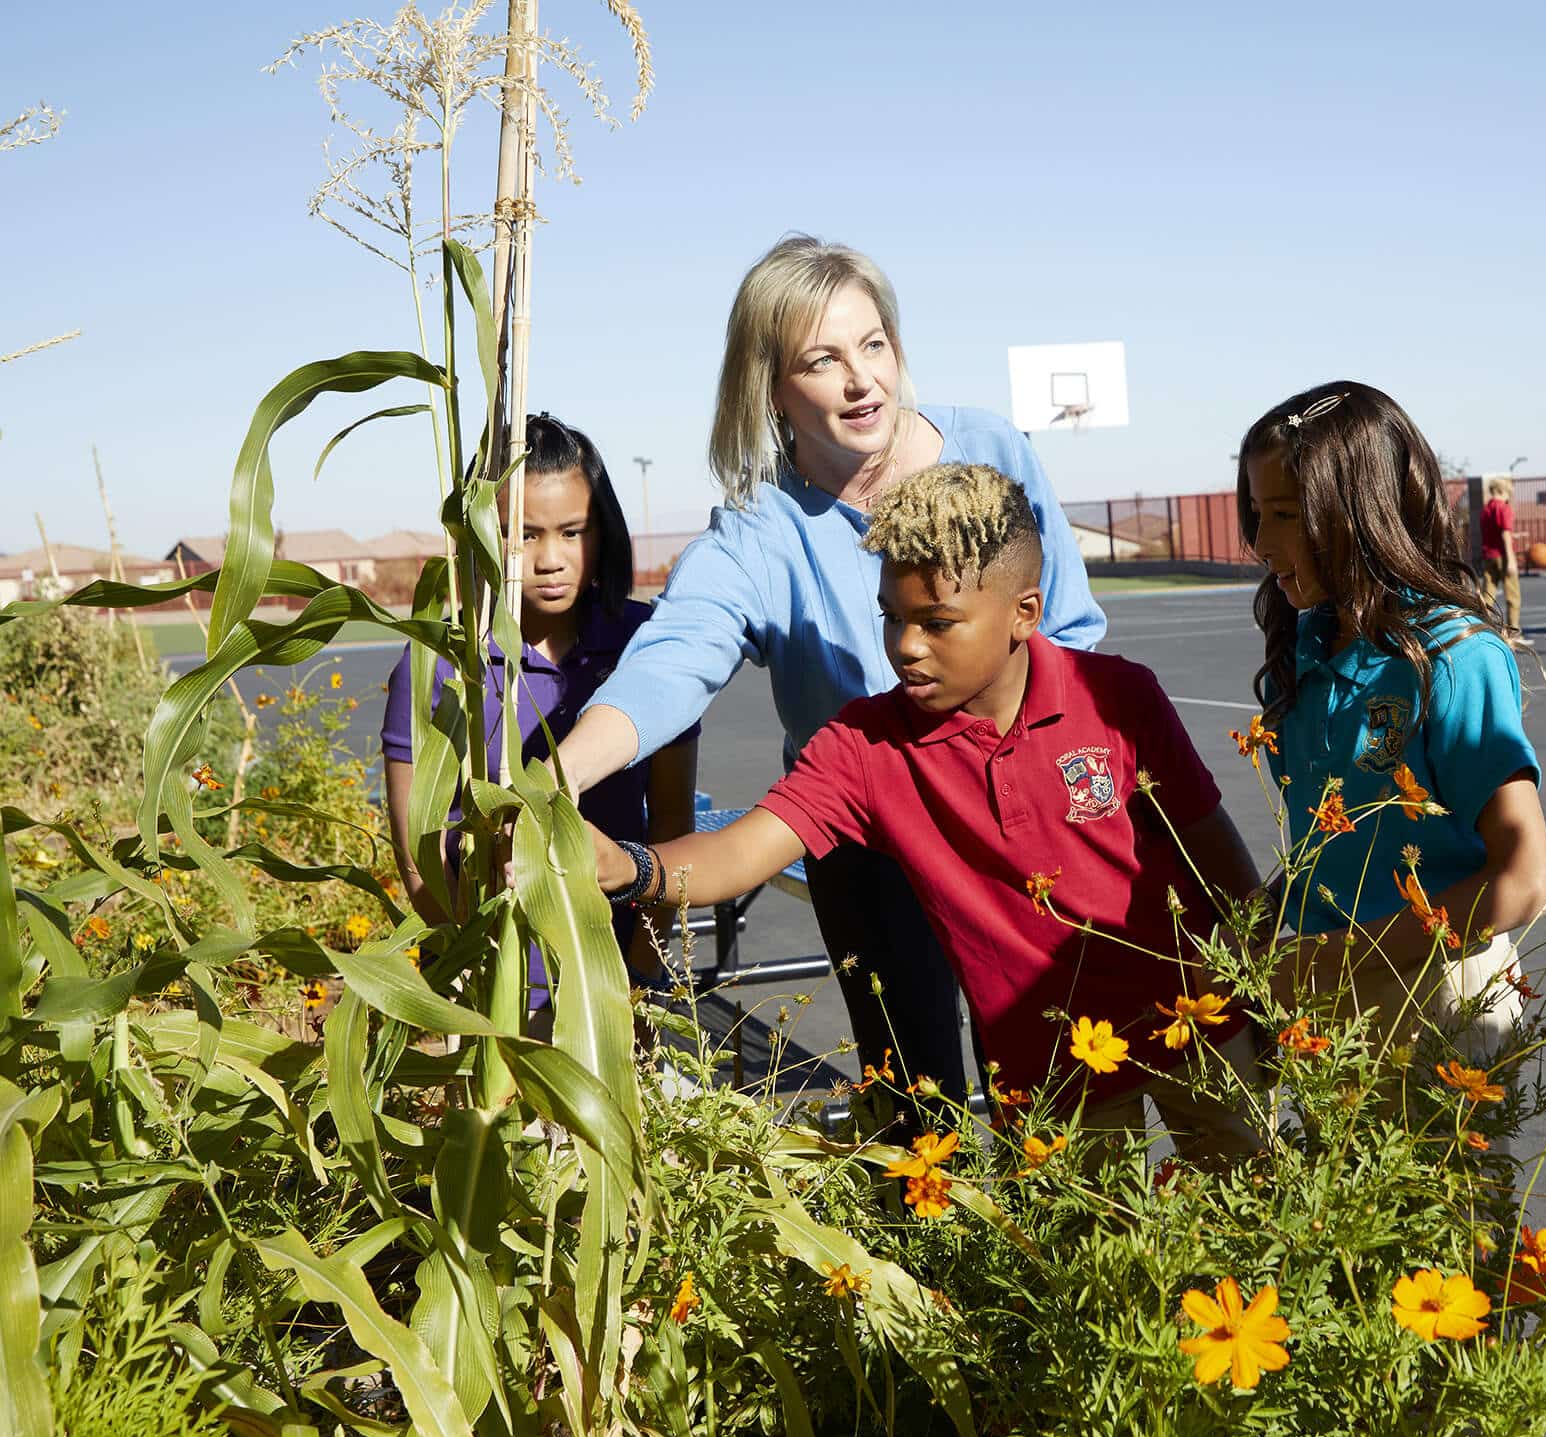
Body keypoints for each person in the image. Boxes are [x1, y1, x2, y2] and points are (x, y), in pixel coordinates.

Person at [546, 236, 1107, 1111]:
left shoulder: (993, 448)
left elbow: (1069, 631)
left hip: (1022, 821)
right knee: (920, 1110)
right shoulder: (761, 529)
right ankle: (933, 1244)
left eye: (874, 345)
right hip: (869, 843)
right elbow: (674, 658)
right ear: (771, 387)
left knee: (1066, 1083)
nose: (862, 381)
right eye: (824, 359)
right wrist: (563, 774)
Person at [586, 463, 1266, 1160]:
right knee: (1078, 1265)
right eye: (892, 616)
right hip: (1049, 1082)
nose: (905, 645)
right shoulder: (866, 746)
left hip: (1200, 1028)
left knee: (1253, 1229)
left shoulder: (1119, 696)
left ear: (1023, 613)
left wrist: (1266, 981)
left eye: (937, 623)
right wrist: (627, 865)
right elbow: (740, 851)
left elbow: (1209, 843)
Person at [1237, 383, 1546, 1060]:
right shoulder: (1310, 646)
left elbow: (1527, 879)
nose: (1262, 543)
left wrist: (1340, 957)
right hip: (1332, 993)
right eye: (1257, 513)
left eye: (1286, 514)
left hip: (1439, 992)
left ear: (1359, 514)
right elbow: (1338, 841)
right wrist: (1263, 925)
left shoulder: (1453, 656)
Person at [383, 414, 698, 1023]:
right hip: (482, 983)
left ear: (602, 532)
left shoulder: (647, 650)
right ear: (480, 533)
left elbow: (672, 823)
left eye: (572, 532)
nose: (551, 558)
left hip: (612, 975)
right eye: (523, 534)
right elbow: (415, 856)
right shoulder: (434, 664)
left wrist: (639, 968)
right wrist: (475, 972)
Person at [1477, 476, 1524, 641]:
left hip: (1488, 556)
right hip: (1502, 555)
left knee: (1487, 595)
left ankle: (1482, 628)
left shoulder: (1485, 510)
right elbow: (1504, 535)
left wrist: (1513, 535)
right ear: (1503, 490)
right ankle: (1513, 633)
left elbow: (1494, 533)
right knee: (1513, 595)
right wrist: (1511, 560)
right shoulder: (1504, 508)